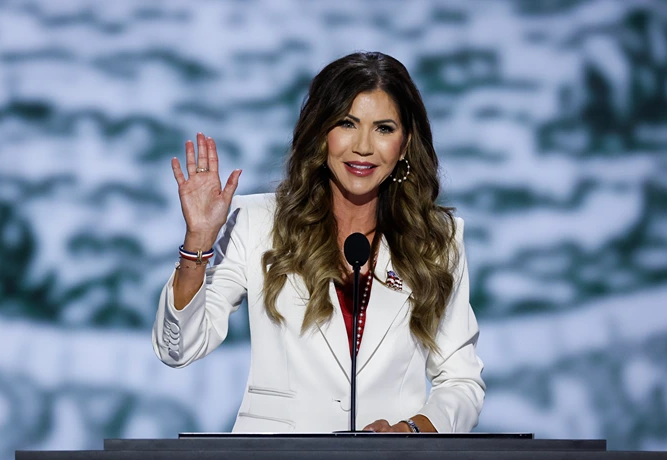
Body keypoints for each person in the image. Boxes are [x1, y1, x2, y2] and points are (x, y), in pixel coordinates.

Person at [152, 51, 485, 433]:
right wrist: (198, 242)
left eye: (384, 128)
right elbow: (177, 349)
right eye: (347, 123)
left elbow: (461, 381)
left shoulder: (438, 243)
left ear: (405, 143)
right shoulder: (257, 223)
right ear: (321, 132)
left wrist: (412, 431)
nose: (363, 146)